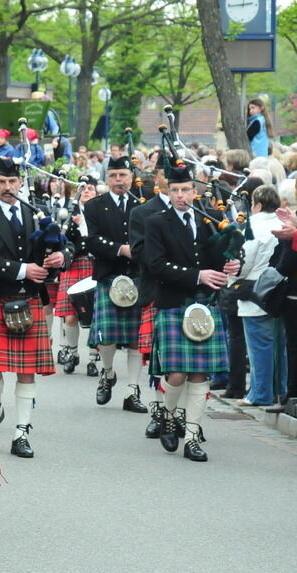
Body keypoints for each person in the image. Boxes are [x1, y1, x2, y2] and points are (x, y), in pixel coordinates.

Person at [144, 161, 240, 461]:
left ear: (195, 190)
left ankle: (192, 435)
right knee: (175, 374)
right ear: (167, 192)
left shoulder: (210, 219)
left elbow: (226, 255)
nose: (182, 195)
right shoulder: (156, 222)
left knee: (199, 374)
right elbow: (155, 265)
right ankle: (168, 415)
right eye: (175, 190)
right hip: (174, 303)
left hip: (205, 306)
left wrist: (234, 265)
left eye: (186, 189)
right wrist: (198, 275)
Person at [0, 158, 72, 458]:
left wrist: (61, 257)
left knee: (27, 371)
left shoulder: (38, 215)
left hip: (31, 301)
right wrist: (21, 269)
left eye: (12, 182)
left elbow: (64, 246)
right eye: (2, 182)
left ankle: (21, 432)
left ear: (20, 182)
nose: (8, 188)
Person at [83, 155, 148, 413]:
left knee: (135, 340)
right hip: (109, 275)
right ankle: (107, 373)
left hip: (137, 277)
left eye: (123, 175)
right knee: (106, 336)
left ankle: (132, 391)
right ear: (107, 179)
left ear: (131, 177)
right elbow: (93, 241)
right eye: (113, 176)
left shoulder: (143, 205)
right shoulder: (94, 206)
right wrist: (121, 249)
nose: (118, 180)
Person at [234, 184, 286, 407]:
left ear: (256, 204)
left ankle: (260, 393)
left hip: (254, 288)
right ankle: (279, 389)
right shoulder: (283, 223)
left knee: (259, 346)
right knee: (278, 346)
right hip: (278, 288)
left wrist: (234, 277)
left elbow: (243, 262)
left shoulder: (251, 226)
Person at [129, 168, 172, 439]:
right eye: (167, 176)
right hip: (157, 291)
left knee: (191, 369)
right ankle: (160, 413)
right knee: (160, 360)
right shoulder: (142, 213)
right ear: (157, 179)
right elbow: (139, 252)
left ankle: (183, 417)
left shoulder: (203, 212)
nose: (176, 188)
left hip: (192, 295)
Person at [53, 173, 97, 373]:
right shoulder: (70, 212)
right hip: (74, 265)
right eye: (83, 188)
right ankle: (72, 352)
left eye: (90, 188)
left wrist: (85, 226)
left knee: (95, 316)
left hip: (95, 266)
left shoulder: (101, 212)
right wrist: (73, 224)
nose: (86, 191)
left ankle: (93, 359)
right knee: (70, 317)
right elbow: (63, 239)